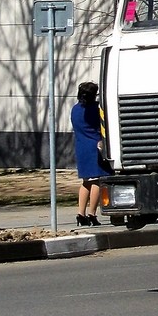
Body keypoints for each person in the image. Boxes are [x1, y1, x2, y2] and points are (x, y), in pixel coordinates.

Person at [71, 81, 105, 227]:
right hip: (95, 147)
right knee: (97, 181)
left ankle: (81, 213)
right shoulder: (96, 110)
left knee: (86, 182)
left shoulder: (75, 109)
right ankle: (92, 214)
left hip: (81, 146)